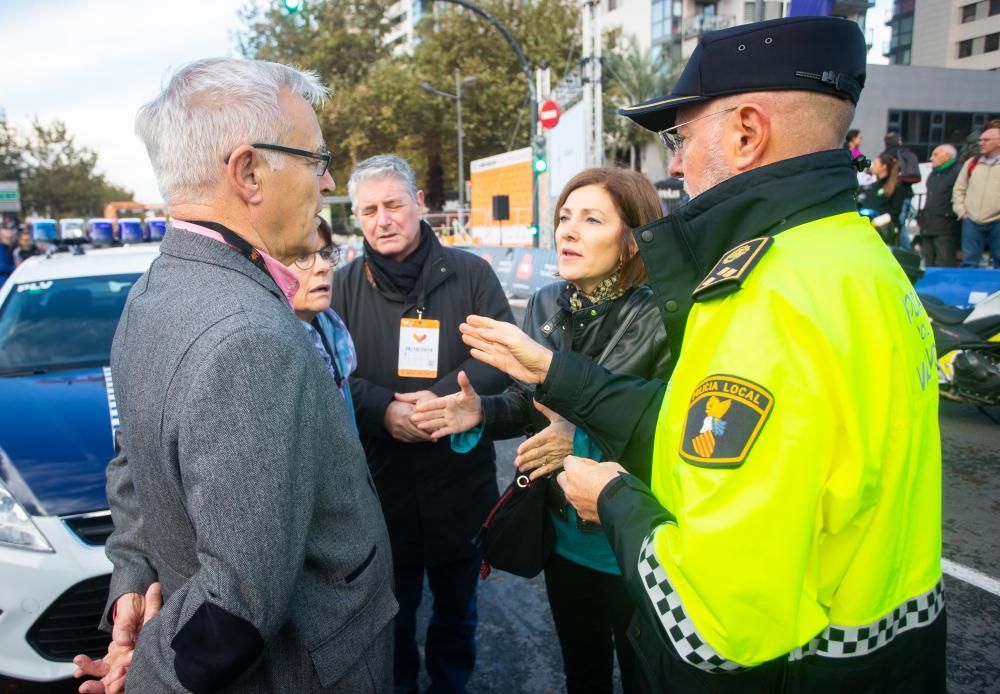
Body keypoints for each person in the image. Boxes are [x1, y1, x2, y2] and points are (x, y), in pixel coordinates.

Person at [458, 16, 944, 693]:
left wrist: (616, 496)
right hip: (886, 649)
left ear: (747, 133)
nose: (677, 164)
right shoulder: (859, 259)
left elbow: (711, 620)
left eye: (680, 138)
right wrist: (552, 375)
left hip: (796, 667)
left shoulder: (765, 295)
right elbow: (750, 444)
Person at [72, 57, 396, 694]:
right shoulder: (251, 336)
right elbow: (236, 608)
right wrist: (146, 675)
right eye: (315, 159)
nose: (327, 181)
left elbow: (130, 470)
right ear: (249, 172)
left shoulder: (151, 292)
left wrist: (132, 592)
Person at [412, 167, 672, 694]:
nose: (567, 231)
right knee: (584, 672)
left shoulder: (662, 313)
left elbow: (662, 424)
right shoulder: (548, 301)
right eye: (564, 218)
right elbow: (529, 405)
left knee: (650, 678)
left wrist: (576, 440)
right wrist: (479, 412)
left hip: (638, 537)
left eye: (592, 219)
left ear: (632, 237)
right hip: (563, 537)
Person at [330, 154, 514, 694]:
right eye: (369, 210)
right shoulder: (339, 288)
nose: (383, 219)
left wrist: (437, 402)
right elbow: (325, 373)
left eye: (392, 205)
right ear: (357, 219)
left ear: (419, 204)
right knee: (392, 620)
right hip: (379, 495)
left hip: (460, 487)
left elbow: (501, 355)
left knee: (457, 616)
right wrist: (383, 410)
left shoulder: (472, 274)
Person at [290, 216, 357, 427]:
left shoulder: (332, 329)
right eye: (302, 257)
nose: (324, 266)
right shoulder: (271, 345)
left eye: (326, 253)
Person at [952, 125, 1000, 268]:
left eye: (986, 140)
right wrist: (961, 211)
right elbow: (959, 189)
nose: (981, 143)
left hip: (997, 221)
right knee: (969, 262)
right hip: (971, 220)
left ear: (998, 142)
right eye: (980, 140)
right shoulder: (972, 163)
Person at [918, 144, 962, 267]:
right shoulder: (934, 174)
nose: (931, 158)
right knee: (928, 263)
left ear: (947, 156)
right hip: (928, 225)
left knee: (944, 262)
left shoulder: (958, 172)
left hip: (946, 226)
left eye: (935, 154)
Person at [881, 131, 921, 249]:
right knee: (900, 224)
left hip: (886, 195)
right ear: (899, 140)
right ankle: (907, 253)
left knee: (892, 224)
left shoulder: (883, 155)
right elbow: (915, 176)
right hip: (903, 194)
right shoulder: (905, 154)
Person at [860, 153, 906, 244]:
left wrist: (876, 222)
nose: (872, 166)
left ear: (883, 167)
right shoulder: (872, 186)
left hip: (883, 232)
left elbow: (894, 213)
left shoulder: (896, 187)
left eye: (876, 164)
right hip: (866, 230)